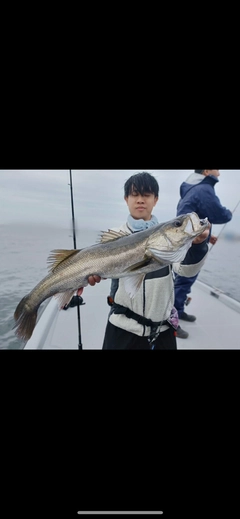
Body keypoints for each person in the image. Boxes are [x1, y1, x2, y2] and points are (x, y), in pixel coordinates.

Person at [97, 171, 210, 350]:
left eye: (146, 195)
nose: (140, 200)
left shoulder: (172, 236)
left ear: (155, 199)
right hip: (122, 327)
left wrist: (197, 246)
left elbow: (186, 271)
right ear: (126, 199)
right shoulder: (115, 236)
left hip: (162, 330)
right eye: (134, 194)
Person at [174, 169, 232, 339]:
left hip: (190, 241)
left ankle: (179, 310)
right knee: (183, 282)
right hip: (192, 243)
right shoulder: (203, 189)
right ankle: (172, 323)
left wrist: (209, 236)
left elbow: (196, 216)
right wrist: (228, 214)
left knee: (185, 280)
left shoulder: (193, 188)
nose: (219, 173)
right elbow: (219, 214)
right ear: (207, 171)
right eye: (217, 169)